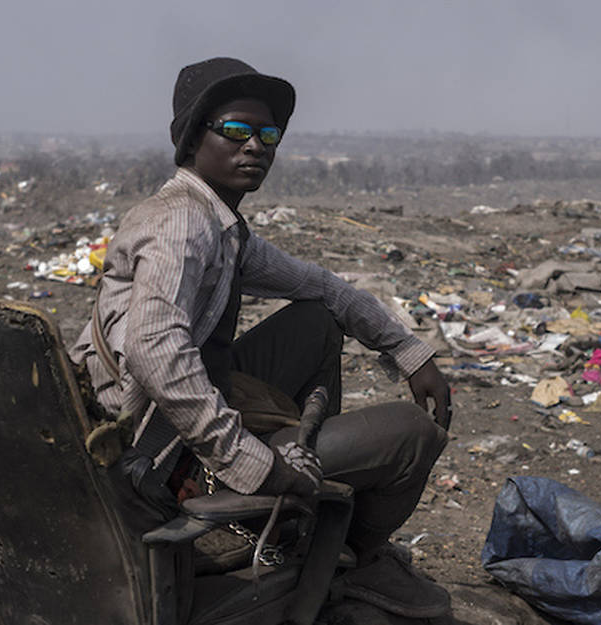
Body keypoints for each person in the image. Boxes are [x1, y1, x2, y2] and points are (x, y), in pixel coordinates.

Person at [70, 57, 452, 618]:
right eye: (234, 130)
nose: (255, 145)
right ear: (193, 138)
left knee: (316, 318)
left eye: (267, 133)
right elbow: (155, 349)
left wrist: (408, 351)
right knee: (413, 434)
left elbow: (320, 286)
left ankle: (300, 520)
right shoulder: (183, 223)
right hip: (155, 454)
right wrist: (255, 464)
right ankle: (354, 557)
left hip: (181, 419)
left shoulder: (222, 227)